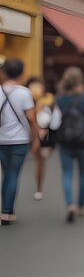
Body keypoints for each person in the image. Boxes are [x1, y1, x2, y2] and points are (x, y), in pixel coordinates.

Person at [51, 67, 84, 223]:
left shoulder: (60, 98)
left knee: (67, 174)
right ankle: (81, 206)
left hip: (65, 141)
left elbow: (55, 121)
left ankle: (70, 204)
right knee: (83, 174)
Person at [0, 59, 40, 225]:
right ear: (21, 73)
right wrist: (36, 138)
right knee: (13, 174)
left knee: (6, 174)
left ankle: (6, 211)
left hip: (1, 140)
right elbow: (31, 118)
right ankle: (7, 212)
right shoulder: (24, 92)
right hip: (20, 140)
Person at [26, 77, 56, 201]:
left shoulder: (49, 101)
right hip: (27, 136)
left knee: (41, 159)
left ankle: (38, 188)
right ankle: (38, 188)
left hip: (45, 137)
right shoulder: (26, 102)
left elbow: (55, 121)